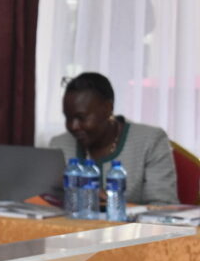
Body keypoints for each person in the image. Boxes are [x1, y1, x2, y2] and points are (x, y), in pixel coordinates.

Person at [49, 72, 178, 205]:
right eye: (68, 118)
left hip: (131, 219)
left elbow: (163, 206)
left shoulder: (150, 141)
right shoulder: (59, 145)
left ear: (108, 108)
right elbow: (47, 202)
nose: (73, 126)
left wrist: (113, 204)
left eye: (81, 118)